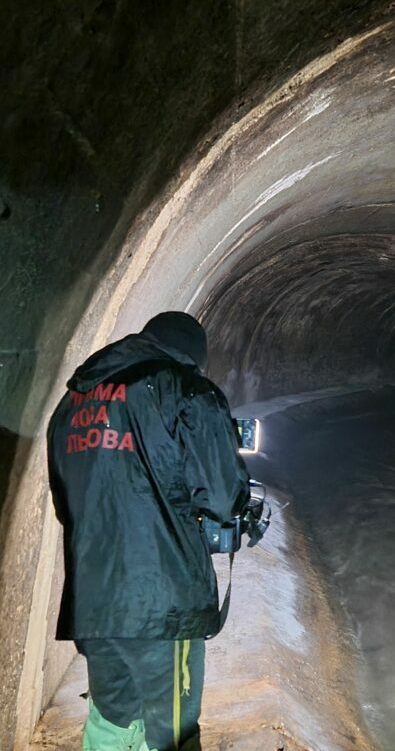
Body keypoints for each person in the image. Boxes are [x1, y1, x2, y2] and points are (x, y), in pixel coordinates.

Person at [47, 311, 250, 751]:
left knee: (113, 718)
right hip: (164, 605)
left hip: (95, 601)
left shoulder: (73, 402)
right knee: (171, 731)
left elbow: (68, 505)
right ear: (193, 355)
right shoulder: (187, 390)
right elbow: (221, 497)